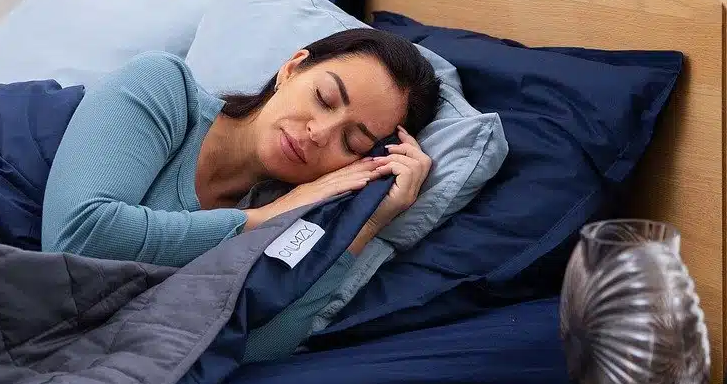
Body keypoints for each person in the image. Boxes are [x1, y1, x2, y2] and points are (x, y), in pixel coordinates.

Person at [40, 28, 441, 361]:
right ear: (292, 68)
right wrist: (257, 221)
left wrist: (365, 224)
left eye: (352, 142)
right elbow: (77, 240)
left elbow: (254, 347)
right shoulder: (162, 85)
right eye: (323, 98)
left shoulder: (295, 222)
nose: (318, 132)